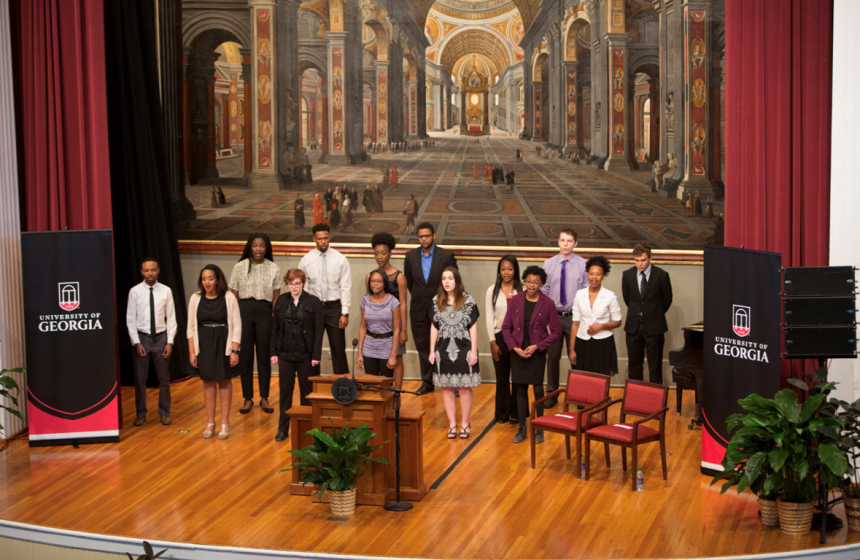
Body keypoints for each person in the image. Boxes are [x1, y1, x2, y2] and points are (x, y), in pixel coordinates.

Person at [502, 265, 561, 444]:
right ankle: (522, 427)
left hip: (536, 351)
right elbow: (506, 328)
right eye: (528, 281)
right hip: (518, 351)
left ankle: (539, 427)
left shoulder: (548, 303)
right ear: (524, 281)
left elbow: (556, 332)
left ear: (541, 283)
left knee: (537, 389)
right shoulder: (517, 299)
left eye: (536, 282)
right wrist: (514, 348)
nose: (531, 285)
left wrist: (538, 346)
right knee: (519, 388)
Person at [230, 234, 283, 415]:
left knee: (263, 357)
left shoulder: (274, 268)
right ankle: (247, 398)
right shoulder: (239, 267)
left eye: (262, 246)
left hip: (264, 314)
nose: (258, 249)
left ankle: (264, 397)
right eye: (255, 246)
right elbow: (233, 297)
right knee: (245, 357)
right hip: (243, 313)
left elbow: (276, 299)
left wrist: (275, 320)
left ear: (266, 248)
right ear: (250, 247)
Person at [187, 265, 242, 440]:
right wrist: (192, 352)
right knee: (208, 383)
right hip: (204, 343)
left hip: (223, 342)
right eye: (204, 279)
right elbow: (190, 328)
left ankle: (225, 422)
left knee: (224, 382)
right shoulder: (195, 298)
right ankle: (210, 422)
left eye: (210, 278)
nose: (207, 282)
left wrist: (234, 350)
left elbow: (236, 325)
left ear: (217, 279)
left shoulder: (228, 297)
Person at [270, 268, 324, 442]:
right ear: (287, 283)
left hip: (305, 355)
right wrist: (273, 352)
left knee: (307, 393)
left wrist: (316, 355)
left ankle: (309, 430)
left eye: (297, 283)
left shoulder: (313, 302)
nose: (294, 286)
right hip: (285, 354)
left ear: (303, 283)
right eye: (291, 283)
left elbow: (318, 331)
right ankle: (283, 429)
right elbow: (275, 329)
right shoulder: (280, 302)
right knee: (285, 392)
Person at [404, 222, 458, 395]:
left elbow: (453, 281)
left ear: (433, 236)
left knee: (447, 346)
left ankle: (451, 383)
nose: (424, 239)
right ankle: (427, 383)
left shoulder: (446, 255)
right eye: (420, 236)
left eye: (427, 236)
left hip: (442, 308)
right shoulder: (410, 256)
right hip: (419, 309)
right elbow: (410, 283)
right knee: (423, 348)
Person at [429, 267, 480, 439]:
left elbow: (473, 326)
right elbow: (434, 327)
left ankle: (465, 423)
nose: (447, 282)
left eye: (450, 278)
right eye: (444, 278)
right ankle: (452, 424)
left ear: (457, 280)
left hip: (464, 349)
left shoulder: (468, 300)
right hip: (443, 350)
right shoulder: (436, 301)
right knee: (447, 388)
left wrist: (474, 351)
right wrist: (432, 351)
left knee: (464, 388)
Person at [125, 258, 177, 426]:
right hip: (142, 339)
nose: (150, 273)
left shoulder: (166, 291)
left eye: (153, 270)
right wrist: (136, 342)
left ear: (158, 271)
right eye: (147, 270)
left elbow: (171, 318)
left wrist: (170, 341)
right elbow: (130, 319)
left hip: (161, 338)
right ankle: (141, 413)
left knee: (164, 378)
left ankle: (164, 412)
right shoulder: (134, 292)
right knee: (140, 379)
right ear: (142, 272)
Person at [540, 228, 588, 408]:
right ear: (558, 242)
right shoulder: (548, 264)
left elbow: (585, 293)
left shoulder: (583, 265)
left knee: (577, 358)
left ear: (575, 243)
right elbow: (543, 293)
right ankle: (551, 394)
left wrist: (582, 319)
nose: (565, 244)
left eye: (569, 241)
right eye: (562, 240)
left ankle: (579, 395)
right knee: (552, 358)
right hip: (553, 318)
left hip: (575, 317)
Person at [298, 224, 352, 375]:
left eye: (326, 238)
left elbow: (345, 287)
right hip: (314, 308)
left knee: (338, 348)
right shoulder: (306, 260)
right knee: (313, 348)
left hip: (335, 308)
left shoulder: (340, 259)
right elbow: (304, 289)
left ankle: (343, 386)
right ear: (314, 239)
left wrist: (345, 313)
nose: (323, 242)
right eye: (320, 239)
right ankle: (314, 385)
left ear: (329, 238)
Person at [622, 244, 673, 384]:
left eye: (643, 260)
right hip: (633, 327)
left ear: (650, 257)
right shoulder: (627, 275)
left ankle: (656, 402)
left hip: (655, 326)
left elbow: (667, 300)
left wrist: (653, 314)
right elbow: (628, 300)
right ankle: (634, 400)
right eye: (636, 260)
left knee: (655, 366)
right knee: (634, 365)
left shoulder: (662, 275)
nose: (639, 263)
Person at [367, 233, 409, 387]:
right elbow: (369, 303)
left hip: (395, 326)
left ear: (390, 253)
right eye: (376, 253)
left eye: (383, 253)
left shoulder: (399, 277)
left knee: (397, 359)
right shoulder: (371, 276)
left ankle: (396, 394)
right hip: (377, 328)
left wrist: (404, 329)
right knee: (377, 359)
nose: (379, 257)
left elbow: (403, 304)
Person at [485, 255, 522, 424]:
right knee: (502, 377)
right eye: (503, 269)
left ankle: (517, 414)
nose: (506, 272)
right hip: (499, 337)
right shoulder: (492, 290)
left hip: (518, 338)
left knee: (518, 378)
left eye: (510, 269)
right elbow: (488, 317)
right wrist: (492, 341)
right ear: (499, 271)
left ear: (515, 270)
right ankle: (502, 414)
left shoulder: (522, 290)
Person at [570, 256, 622, 375]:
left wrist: (601, 326)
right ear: (587, 275)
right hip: (582, 342)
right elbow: (575, 323)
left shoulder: (610, 296)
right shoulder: (579, 294)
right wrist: (572, 349)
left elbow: (618, 321)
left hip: (603, 343)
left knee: (601, 379)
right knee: (582, 380)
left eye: (598, 274)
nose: (594, 277)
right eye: (591, 273)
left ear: (603, 277)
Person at [358, 269, 401, 378]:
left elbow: (396, 331)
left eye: (379, 281)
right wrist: (359, 353)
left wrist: (393, 356)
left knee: (385, 387)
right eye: (372, 281)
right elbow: (363, 327)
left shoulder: (393, 302)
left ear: (385, 283)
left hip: (386, 349)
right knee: (371, 385)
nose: (375, 284)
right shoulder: (365, 300)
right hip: (368, 349)